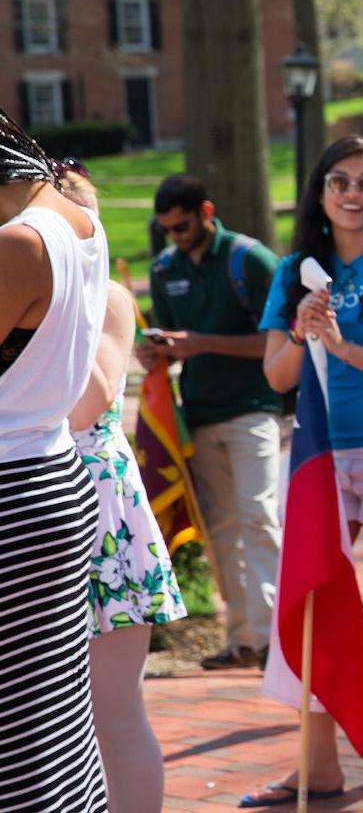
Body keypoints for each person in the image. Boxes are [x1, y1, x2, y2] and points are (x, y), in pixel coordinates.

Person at [240, 137, 363, 808]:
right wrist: (304, 334)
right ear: (320, 193)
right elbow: (276, 374)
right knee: (316, 599)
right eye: (340, 181)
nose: (354, 193)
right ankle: (321, 764)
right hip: (320, 453)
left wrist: (342, 344)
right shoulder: (294, 270)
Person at [56, 165, 186, 813]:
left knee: (113, 708)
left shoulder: (105, 295)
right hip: (40, 501)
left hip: (95, 509)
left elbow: (87, 404)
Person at [0, 108, 110, 810]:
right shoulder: (77, 220)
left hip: (12, 493)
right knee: (51, 717)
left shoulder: (18, 245)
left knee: (17, 736)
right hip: (52, 474)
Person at [140, 174, 283, 669]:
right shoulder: (164, 269)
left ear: (205, 211)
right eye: (167, 230)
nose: (175, 236)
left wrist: (200, 342)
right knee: (221, 528)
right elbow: (169, 338)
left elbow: (276, 341)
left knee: (259, 519)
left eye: (182, 226)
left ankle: (272, 640)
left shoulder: (250, 260)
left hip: (253, 410)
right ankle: (242, 640)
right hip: (198, 414)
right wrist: (152, 350)